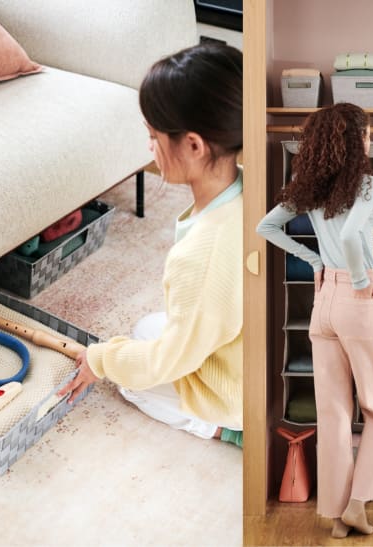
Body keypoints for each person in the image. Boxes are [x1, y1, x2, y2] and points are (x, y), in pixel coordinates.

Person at [58, 42, 244, 448]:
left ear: (194, 145)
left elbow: (166, 361)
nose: (150, 147)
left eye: (154, 136)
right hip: (239, 352)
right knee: (144, 330)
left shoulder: (204, 254)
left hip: (238, 389)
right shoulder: (246, 188)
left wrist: (99, 360)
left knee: (133, 383)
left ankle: (226, 428)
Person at [257, 103, 373, 538]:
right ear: (356, 142)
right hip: (356, 297)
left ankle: (337, 519)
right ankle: (357, 504)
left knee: (333, 413)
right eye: (368, 135)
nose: (370, 141)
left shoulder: (310, 187)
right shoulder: (368, 185)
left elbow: (267, 227)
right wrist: (362, 279)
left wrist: (316, 260)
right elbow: (356, 234)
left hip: (324, 303)